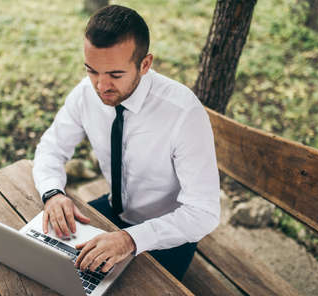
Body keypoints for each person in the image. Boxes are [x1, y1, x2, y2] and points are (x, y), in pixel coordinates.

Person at [33, 4, 220, 281]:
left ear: (145, 64)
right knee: (45, 263)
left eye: (115, 75)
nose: (100, 86)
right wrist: (52, 193)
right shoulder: (86, 93)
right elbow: (51, 147)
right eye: (92, 70)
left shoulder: (183, 113)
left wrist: (130, 240)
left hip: (167, 234)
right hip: (114, 210)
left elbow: (203, 212)